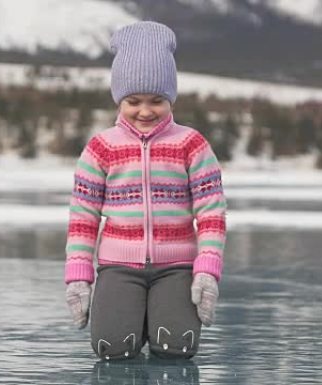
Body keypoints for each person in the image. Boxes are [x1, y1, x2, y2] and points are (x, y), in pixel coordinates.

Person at [64, 21, 227, 361]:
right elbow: (83, 218)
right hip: (118, 267)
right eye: (133, 100)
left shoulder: (191, 144)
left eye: (157, 100)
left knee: (177, 348)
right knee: (112, 350)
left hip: (177, 266)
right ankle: (133, 320)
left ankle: (158, 317)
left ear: (171, 98)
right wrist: (79, 275)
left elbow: (211, 213)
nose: (145, 110)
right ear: (118, 99)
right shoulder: (100, 148)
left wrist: (207, 270)